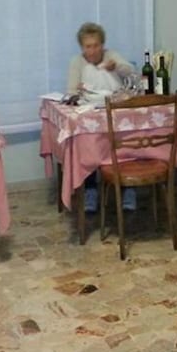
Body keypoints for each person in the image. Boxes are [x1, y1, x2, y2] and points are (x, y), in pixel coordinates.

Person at [66, 22, 137, 212]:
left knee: (126, 142)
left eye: (96, 45)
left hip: (115, 112)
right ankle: (90, 189)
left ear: (102, 45)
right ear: (82, 47)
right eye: (88, 46)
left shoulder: (111, 56)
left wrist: (116, 67)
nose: (92, 50)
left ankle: (128, 188)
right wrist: (78, 91)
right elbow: (71, 92)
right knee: (87, 145)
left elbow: (130, 71)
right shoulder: (77, 62)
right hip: (90, 113)